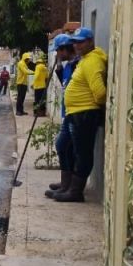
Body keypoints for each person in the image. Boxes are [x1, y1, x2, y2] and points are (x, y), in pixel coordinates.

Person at [55, 28, 107, 203]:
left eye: (81, 42)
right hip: (75, 113)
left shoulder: (92, 61)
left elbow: (100, 93)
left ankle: (75, 191)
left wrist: (92, 108)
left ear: (90, 41)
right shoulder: (85, 59)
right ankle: (67, 186)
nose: (77, 45)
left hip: (84, 114)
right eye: (75, 42)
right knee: (66, 147)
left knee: (82, 153)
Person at [45, 35, 79, 199]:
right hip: (68, 112)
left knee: (66, 147)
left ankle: (69, 186)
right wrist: (58, 64)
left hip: (76, 113)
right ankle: (65, 183)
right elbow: (64, 83)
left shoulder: (77, 65)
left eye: (58, 51)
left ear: (65, 49)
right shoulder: (67, 66)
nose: (57, 54)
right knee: (64, 147)